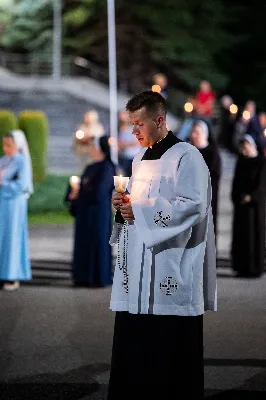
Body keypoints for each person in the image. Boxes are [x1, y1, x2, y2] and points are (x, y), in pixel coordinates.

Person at [107, 90, 217, 399]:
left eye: (138, 124)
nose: (133, 132)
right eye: (131, 124)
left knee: (166, 348)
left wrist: (139, 210)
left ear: (159, 120)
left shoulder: (187, 156)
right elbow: (135, 204)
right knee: (136, 342)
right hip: (137, 267)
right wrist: (121, 204)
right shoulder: (140, 157)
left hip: (170, 263)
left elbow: (192, 204)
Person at [65, 136, 115, 287]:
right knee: (84, 245)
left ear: (100, 149)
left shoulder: (107, 167)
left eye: (93, 147)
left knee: (97, 244)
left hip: (98, 214)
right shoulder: (90, 167)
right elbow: (80, 186)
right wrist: (73, 193)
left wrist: (82, 192)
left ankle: (97, 277)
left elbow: (100, 191)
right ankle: (82, 277)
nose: (91, 150)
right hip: (84, 214)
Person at [0, 130, 33, 291]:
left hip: (14, 204)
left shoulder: (22, 161)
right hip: (2, 204)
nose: (6, 148)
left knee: (12, 237)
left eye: (9, 145)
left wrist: (4, 185)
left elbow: (23, 185)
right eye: (4, 145)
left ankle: (12, 274)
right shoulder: (4, 160)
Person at [231, 134, 266, 278]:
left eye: (246, 146)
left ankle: (254, 268)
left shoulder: (261, 162)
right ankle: (241, 267)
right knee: (241, 237)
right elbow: (236, 181)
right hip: (241, 206)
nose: (244, 149)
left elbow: (262, 184)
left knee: (254, 237)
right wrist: (238, 196)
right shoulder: (241, 161)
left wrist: (251, 196)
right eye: (242, 146)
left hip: (255, 208)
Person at [189, 120, 221, 236]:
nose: (193, 135)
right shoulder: (188, 151)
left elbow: (214, 176)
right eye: (192, 132)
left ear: (204, 134)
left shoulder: (213, 153)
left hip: (207, 199)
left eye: (197, 132)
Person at [118, 111, 141, 177]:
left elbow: (136, 142)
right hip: (123, 157)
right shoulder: (119, 130)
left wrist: (123, 145)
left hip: (133, 158)